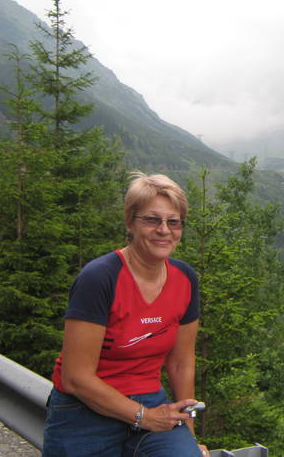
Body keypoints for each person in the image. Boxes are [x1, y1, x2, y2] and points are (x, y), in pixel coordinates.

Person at [42, 172, 209, 457]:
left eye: (174, 221)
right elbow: (75, 377)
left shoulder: (185, 279)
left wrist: (189, 436)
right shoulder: (100, 278)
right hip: (84, 410)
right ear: (130, 222)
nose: (164, 230)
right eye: (152, 219)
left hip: (152, 402)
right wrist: (142, 416)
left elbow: (181, 364)